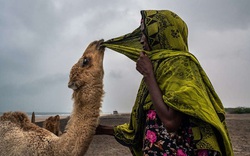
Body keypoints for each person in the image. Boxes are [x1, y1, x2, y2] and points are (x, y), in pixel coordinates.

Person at [98, 10, 233, 156]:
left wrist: (148, 74)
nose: (142, 40)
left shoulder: (179, 64)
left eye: (146, 34)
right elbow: (139, 129)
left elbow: (170, 122)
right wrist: (101, 130)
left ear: (162, 35)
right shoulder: (159, 70)